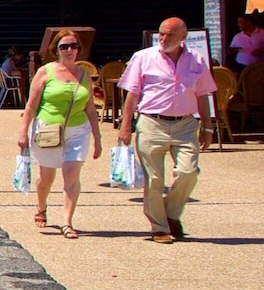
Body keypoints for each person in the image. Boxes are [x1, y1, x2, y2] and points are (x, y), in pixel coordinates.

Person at [117, 17, 217, 244]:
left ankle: (171, 213)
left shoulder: (197, 59)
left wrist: (208, 127)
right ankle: (159, 227)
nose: (163, 39)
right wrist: (125, 126)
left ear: (183, 36)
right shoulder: (143, 58)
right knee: (153, 179)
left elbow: (203, 94)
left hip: (185, 125)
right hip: (152, 123)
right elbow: (131, 94)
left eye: (169, 34)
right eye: (161, 34)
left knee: (188, 172)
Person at [19, 30, 103, 239]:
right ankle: (41, 206)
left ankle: (67, 221)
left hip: (77, 130)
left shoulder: (84, 74)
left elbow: (91, 108)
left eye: (73, 46)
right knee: (45, 179)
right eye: (64, 46)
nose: (69, 50)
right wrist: (23, 132)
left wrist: (98, 137)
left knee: (71, 175)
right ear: (55, 50)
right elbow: (31, 105)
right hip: (48, 128)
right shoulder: (45, 72)